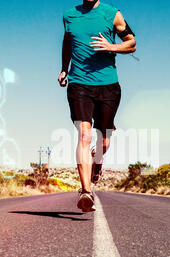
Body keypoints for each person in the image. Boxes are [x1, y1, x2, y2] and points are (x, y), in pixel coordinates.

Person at [58, 0, 136, 212]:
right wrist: (64, 68)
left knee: (104, 139)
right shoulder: (69, 15)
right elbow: (67, 42)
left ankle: (97, 162)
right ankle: (85, 191)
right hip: (79, 83)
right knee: (84, 135)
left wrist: (111, 46)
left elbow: (132, 43)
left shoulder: (112, 14)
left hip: (108, 85)